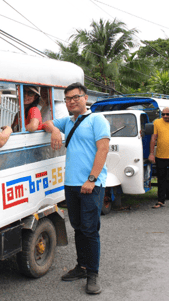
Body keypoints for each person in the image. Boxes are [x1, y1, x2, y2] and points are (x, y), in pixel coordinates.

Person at [43, 82, 110, 295]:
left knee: (90, 230)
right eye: (68, 99)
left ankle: (93, 274)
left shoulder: (97, 120)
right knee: (78, 228)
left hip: (90, 185)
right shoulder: (69, 121)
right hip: (71, 184)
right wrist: (54, 130)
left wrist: (91, 179)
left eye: (75, 97)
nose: (71, 101)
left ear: (85, 98)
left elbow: (103, 149)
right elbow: (46, 123)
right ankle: (81, 267)